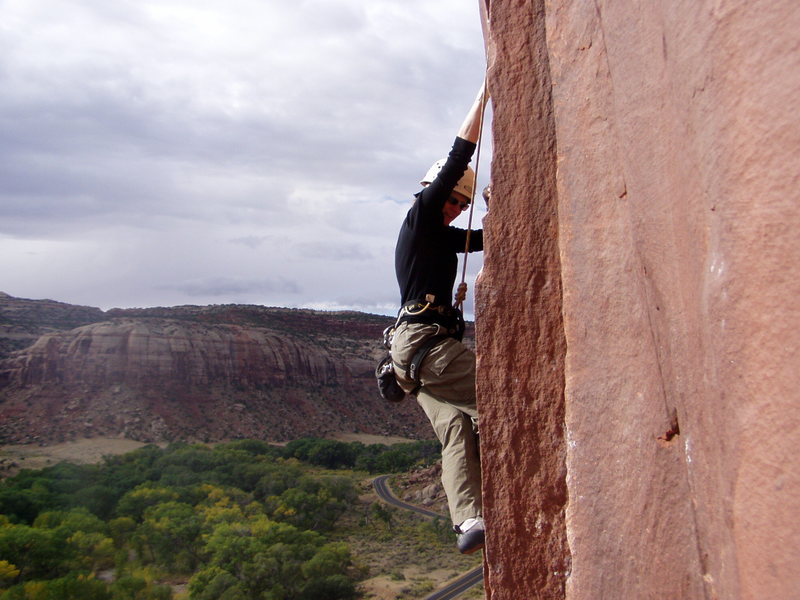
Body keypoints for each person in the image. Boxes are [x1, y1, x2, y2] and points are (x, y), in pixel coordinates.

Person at [390, 82, 488, 554]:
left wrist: (498, 205)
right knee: (497, 394)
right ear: (434, 192)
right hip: (426, 349)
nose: (455, 209)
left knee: (457, 430)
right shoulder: (422, 215)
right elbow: (456, 159)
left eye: (462, 206)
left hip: (414, 360)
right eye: (453, 200)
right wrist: (480, 102)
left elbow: (484, 240)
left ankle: (466, 520)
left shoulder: (441, 236)